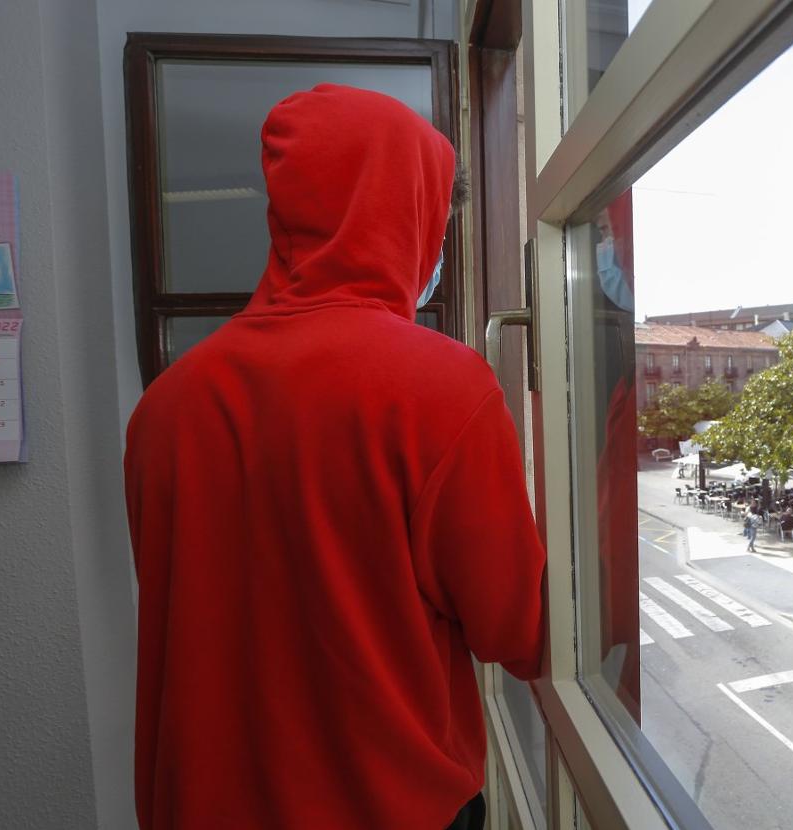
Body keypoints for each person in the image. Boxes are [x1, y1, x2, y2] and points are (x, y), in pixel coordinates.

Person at [123, 85, 545, 830]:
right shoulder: (442, 390)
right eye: (438, 222)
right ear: (398, 211)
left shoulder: (164, 408)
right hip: (388, 808)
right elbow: (519, 633)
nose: (437, 249)